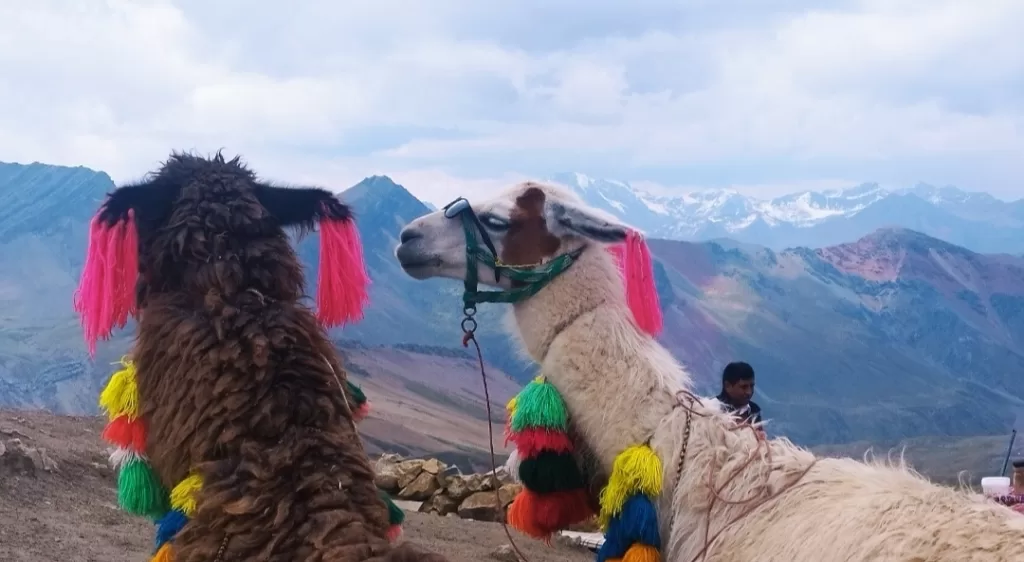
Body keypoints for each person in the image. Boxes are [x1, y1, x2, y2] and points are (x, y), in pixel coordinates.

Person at [717, 361, 762, 425]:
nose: (749, 392)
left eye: (751, 386)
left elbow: (759, 433)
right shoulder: (711, 409)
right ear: (728, 386)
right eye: (744, 387)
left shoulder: (754, 410)